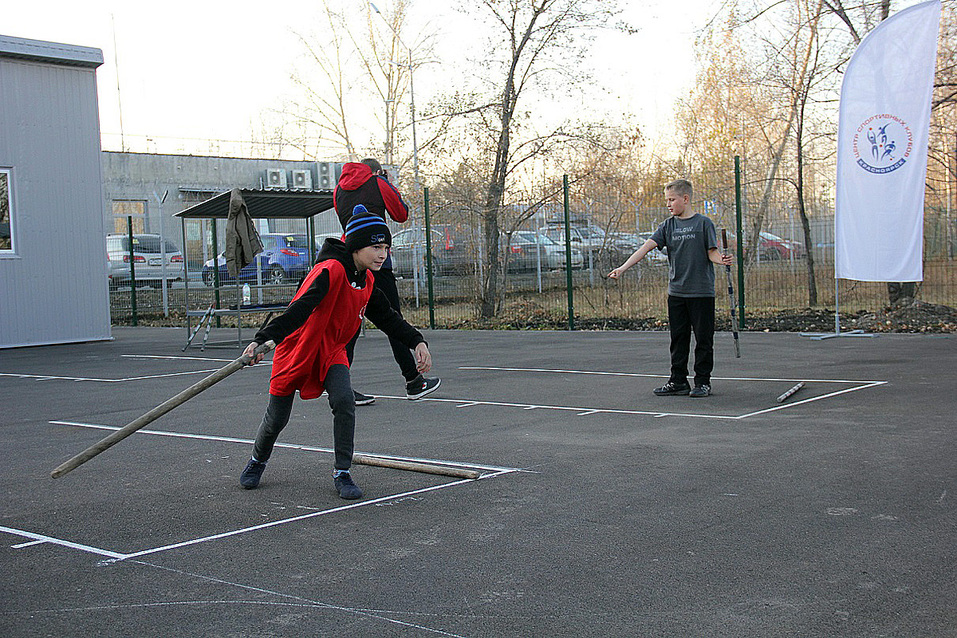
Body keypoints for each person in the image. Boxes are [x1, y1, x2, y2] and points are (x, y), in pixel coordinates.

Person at [239, 208, 433, 499]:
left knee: (344, 400)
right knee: (276, 419)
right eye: (376, 247)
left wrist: (417, 341)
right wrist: (263, 340)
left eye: (386, 248)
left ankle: (342, 471)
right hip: (297, 349)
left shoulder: (367, 281)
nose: (383, 254)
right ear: (356, 246)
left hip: (332, 350)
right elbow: (298, 310)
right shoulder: (330, 271)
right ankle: (257, 460)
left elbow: (388, 318)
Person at [608, 179, 733, 398]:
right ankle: (678, 381)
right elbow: (645, 248)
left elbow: (711, 252)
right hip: (677, 293)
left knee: (703, 339)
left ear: (685, 199)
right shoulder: (667, 226)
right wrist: (623, 268)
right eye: (667, 200)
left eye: (672, 200)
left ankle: (702, 382)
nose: (668, 204)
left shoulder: (703, 224)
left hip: (701, 293)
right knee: (678, 339)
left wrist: (721, 260)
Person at [333, 158, 439, 405]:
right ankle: (413, 381)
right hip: (376, 262)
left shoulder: (339, 190)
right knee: (392, 318)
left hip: (351, 258)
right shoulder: (377, 182)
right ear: (377, 171)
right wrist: (387, 183)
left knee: (350, 324)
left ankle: (341, 386)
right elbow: (401, 214)